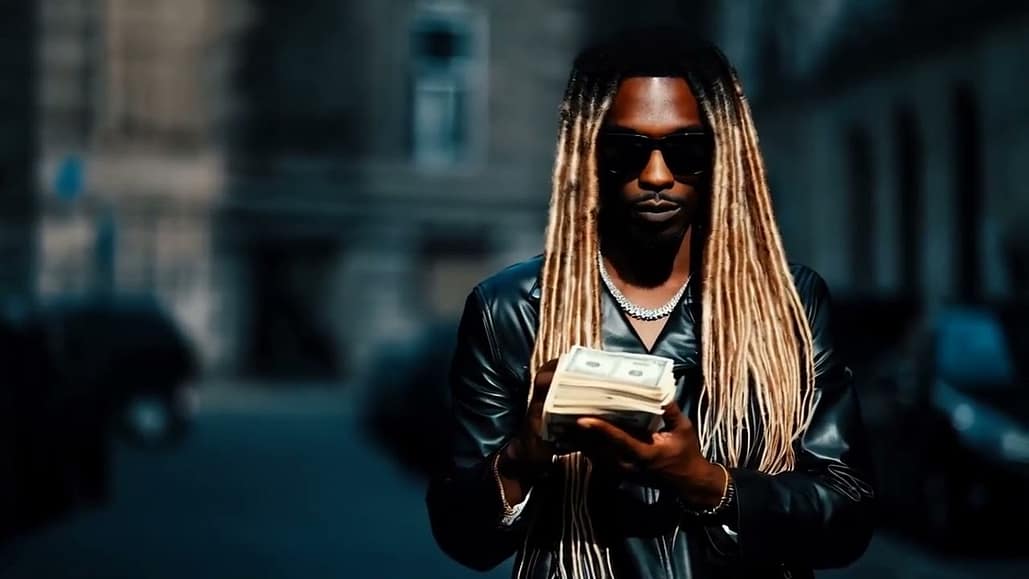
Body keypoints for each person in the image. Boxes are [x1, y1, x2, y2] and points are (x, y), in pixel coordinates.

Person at [426, 28, 876, 579]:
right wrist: (523, 456)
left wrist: (705, 482)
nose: (657, 176)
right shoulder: (511, 310)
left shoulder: (790, 304)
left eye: (686, 151)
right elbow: (462, 538)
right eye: (626, 151)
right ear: (590, 156)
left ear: (720, 156)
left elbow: (848, 515)